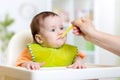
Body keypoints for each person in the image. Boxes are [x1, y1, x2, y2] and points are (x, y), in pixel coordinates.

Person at [16, 11, 86, 70]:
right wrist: (28, 64)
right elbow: (20, 62)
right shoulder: (33, 51)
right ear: (39, 39)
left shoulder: (71, 50)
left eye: (61, 28)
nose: (60, 32)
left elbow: (78, 57)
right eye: (53, 30)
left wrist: (78, 62)